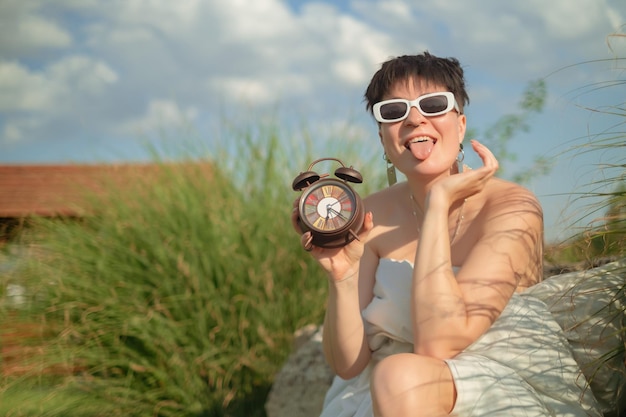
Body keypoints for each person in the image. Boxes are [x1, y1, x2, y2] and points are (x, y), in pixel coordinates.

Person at [292, 52, 602, 417]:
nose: (414, 119)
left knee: (400, 376)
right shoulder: (369, 215)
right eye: (393, 111)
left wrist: (438, 204)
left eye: (434, 104)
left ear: (461, 124)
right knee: (395, 377)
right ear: (382, 138)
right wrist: (342, 278)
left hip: (496, 384)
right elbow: (348, 365)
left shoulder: (512, 207)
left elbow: (439, 341)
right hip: (385, 394)